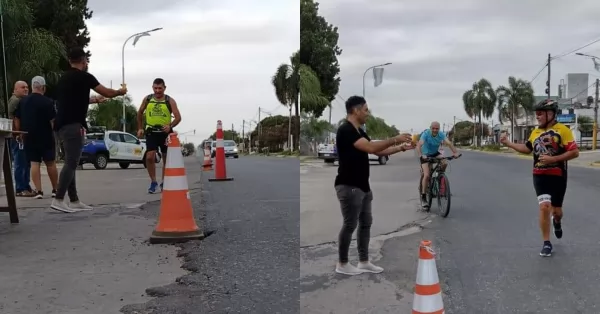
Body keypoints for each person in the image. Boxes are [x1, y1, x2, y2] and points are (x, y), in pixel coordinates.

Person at [334, 95, 413, 276]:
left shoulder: (360, 131)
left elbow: (379, 151)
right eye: (365, 109)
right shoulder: (345, 130)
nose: (368, 113)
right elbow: (370, 148)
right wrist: (395, 138)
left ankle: (363, 261)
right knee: (350, 224)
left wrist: (401, 147)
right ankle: (343, 263)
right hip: (349, 185)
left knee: (366, 224)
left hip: (363, 186)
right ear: (356, 110)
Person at [500, 99, 579, 257]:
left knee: (556, 211)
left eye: (540, 114)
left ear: (551, 114)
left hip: (558, 176)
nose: (538, 117)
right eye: (537, 114)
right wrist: (508, 143)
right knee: (544, 207)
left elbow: (574, 152)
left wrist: (554, 159)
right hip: (539, 175)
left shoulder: (563, 130)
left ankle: (557, 221)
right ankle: (546, 243)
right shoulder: (535, 132)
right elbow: (527, 149)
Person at [52, 47, 126, 213]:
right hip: (74, 125)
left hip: (61, 125)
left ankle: (74, 200)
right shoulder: (85, 77)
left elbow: (71, 100)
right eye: (86, 60)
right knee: (71, 162)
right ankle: (58, 198)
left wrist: (93, 100)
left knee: (71, 162)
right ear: (84, 61)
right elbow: (107, 91)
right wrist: (120, 92)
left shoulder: (64, 78)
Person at [13, 76, 59, 199]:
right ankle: (55, 189)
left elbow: (16, 117)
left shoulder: (23, 102)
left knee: (34, 163)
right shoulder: (48, 102)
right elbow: (53, 120)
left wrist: (18, 132)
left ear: (33, 86)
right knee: (50, 163)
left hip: (29, 136)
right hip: (46, 137)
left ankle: (39, 191)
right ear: (43, 87)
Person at [136, 78, 181, 194]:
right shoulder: (148, 99)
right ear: (152, 88)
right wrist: (140, 128)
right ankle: (153, 182)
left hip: (165, 133)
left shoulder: (169, 100)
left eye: (160, 88)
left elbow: (178, 117)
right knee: (149, 157)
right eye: (155, 88)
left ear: (164, 88)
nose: (157, 91)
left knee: (166, 159)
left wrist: (170, 125)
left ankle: (164, 182)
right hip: (151, 132)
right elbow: (140, 112)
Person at [415, 121, 459, 208]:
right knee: (427, 175)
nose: (435, 130)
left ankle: (439, 177)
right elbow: (419, 145)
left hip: (435, 153)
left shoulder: (441, 134)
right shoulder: (426, 134)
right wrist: (421, 155)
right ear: (430, 128)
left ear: (439, 129)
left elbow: (449, 143)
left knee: (444, 162)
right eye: (433, 128)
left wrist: (455, 152)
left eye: (437, 128)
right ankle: (424, 197)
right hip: (425, 155)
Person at [8, 81, 35, 197]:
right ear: (15, 90)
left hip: (23, 135)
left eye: (27, 87)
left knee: (25, 162)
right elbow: (13, 118)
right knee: (20, 162)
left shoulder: (22, 101)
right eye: (22, 87)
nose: (26, 89)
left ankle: (26, 186)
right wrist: (17, 134)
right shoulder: (15, 100)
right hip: (17, 137)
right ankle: (20, 188)